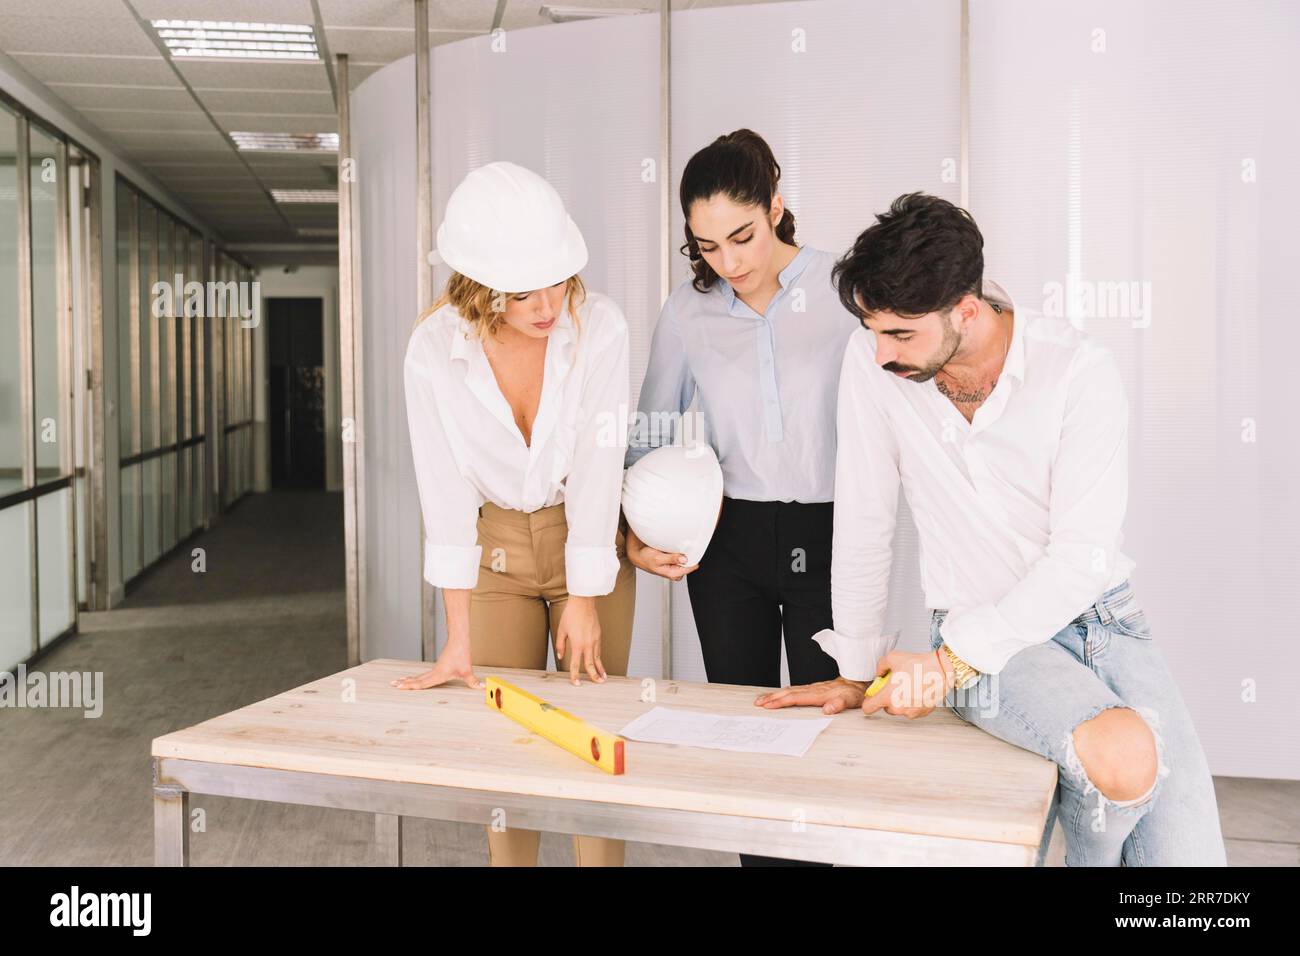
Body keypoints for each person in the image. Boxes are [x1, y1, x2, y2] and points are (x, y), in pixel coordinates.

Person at [758, 192, 1227, 866]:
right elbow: (865, 520)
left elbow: (1080, 560)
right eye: (871, 329)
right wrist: (860, 670)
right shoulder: (873, 367)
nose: (879, 352)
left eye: (899, 333)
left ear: (966, 312)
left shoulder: (1077, 372)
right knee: (1120, 755)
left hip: (1104, 621)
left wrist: (943, 668)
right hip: (985, 637)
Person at [625, 129, 858, 865]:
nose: (729, 263)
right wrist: (633, 537)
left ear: (778, 208)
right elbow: (649, 433)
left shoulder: (845, 290)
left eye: (743, 237)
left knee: (830, 729)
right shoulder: (688, 312)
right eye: (708, 247)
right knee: (748, 732)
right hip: (727, 543)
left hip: (832, 533)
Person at [396, 161, 635, 867]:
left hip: (583, 534)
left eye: (557, 280)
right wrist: (457, 635)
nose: (547, 305)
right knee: (509, 741)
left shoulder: (602, 329)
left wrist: (584, 597)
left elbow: (597, 468)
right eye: (524, 291)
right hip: (493, 543)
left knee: (591, 734)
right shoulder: (433, 350)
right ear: (477, 286)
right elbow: (442, 494)